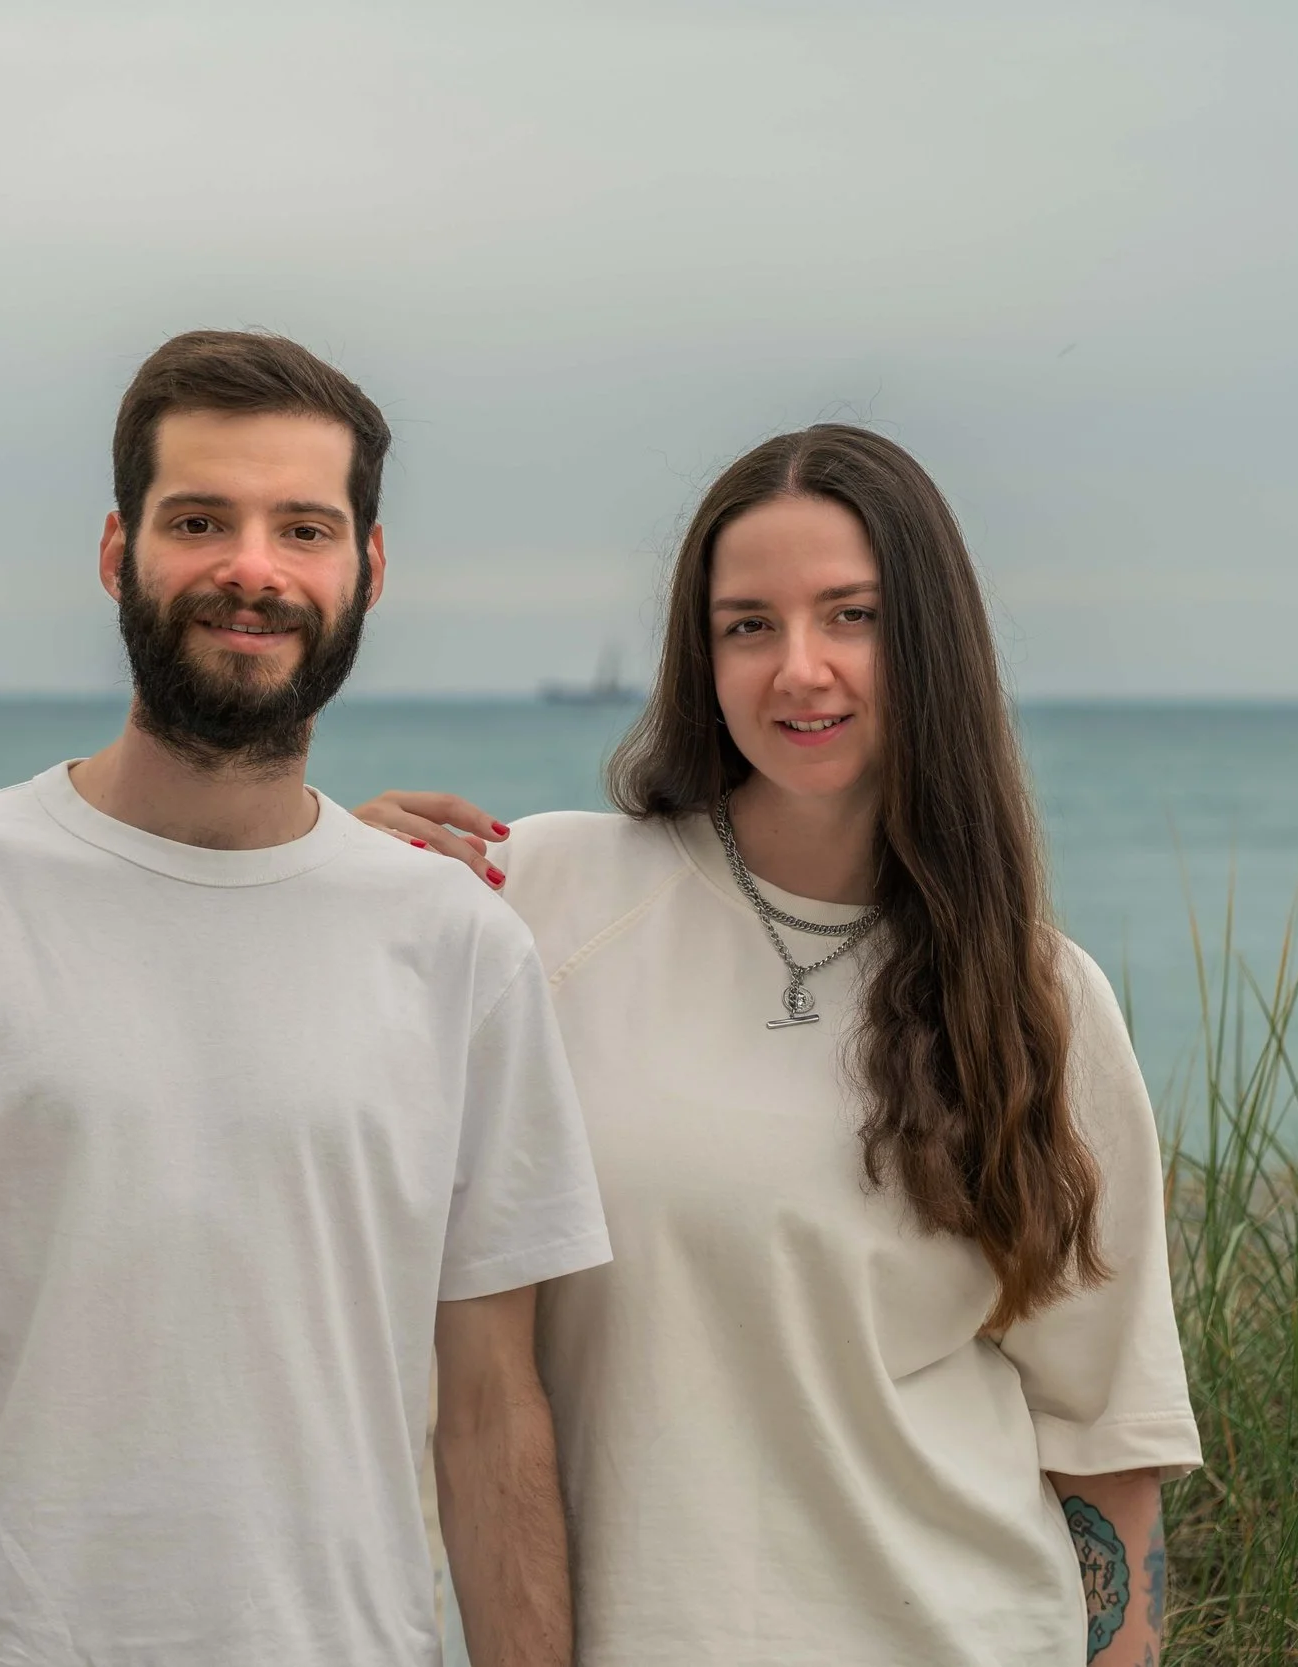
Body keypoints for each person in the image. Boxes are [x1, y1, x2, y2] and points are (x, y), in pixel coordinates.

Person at [0, 331, 611, 1667]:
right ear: (119, 551)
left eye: (304, 525)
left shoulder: (457, 944)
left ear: (368, 567)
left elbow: (492, 1408)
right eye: (201, 520)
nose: (254, 566)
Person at [359, 424, 1200, 1665]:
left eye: (849, 616)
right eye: (747, 624)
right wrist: (335, 885)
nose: (798, 668)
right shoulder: (538, 896)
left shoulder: (1038, 999)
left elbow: (1104, 1451)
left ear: (928, 639)